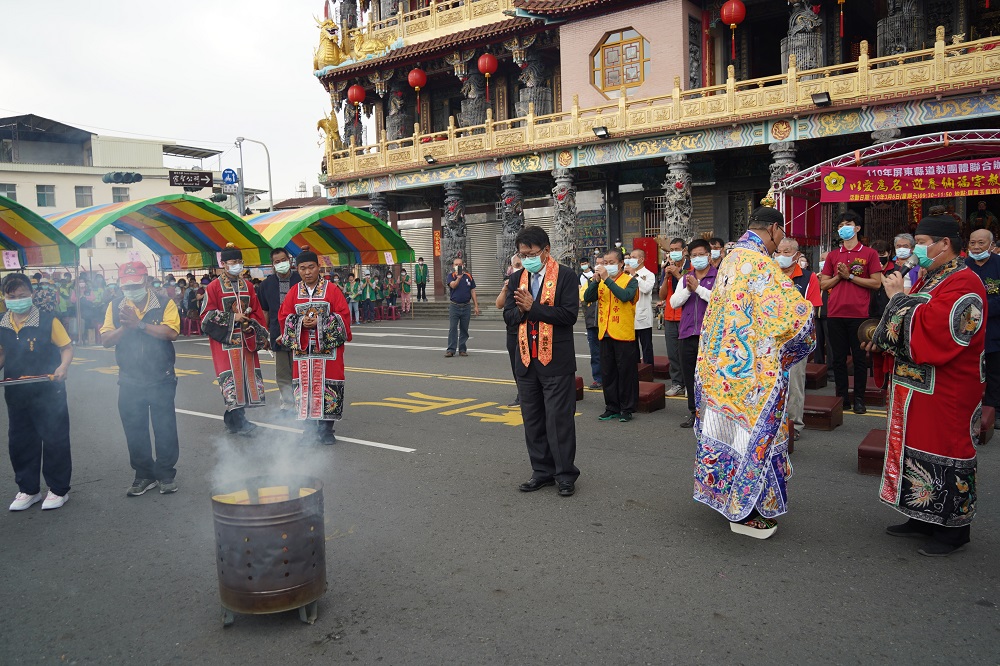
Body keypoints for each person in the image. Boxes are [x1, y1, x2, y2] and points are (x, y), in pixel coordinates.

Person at [693, 206, 815, 539]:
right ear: (775, 229)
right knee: (750, 440)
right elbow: (796, 317)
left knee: (728, 435)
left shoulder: (731, 258)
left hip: (722, 371)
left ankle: (725, 497)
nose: (781, 243)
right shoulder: (762, 265)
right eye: (781, 236)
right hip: (752, 376)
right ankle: (745, 512)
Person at [866, 215, 984, 556]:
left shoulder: (965, 282)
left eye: (922, 240)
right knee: (915, 448)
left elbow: (938, 330)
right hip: (918, 386)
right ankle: (922, 515)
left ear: (945, 244)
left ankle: (954, 529)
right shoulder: (932, 279)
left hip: (949, 386)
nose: (917, 248)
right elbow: (910, 320)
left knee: (948, 449)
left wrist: (897, 299)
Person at [502, 226, 580, 497]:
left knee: (558, 420)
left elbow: (568, 316)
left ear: (546, 251)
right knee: (532, 419)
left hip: (555, 361)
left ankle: (565, 474)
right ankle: (542, 471)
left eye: (531, 253)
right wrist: (523, 311)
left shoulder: (567, 277)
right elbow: (508, 317)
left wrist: (532, 307)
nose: (527, 259)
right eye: (522, 255)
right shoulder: (517, 280)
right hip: (525, 360)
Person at [100, 263, 181, 497]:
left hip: (161, 377)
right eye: (126, 286)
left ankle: (166, 474)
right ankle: (144, 475)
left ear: (146, 281)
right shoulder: (115, 306)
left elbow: (172, 333)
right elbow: (106, 340)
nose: (130, 289)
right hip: (129, 379)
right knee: (134, 428)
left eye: (135, 285)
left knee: (164, 427)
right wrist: (126, 328)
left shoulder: (165, 303)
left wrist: (140, 325)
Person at [0, 273, 73, 511]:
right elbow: (2, 354)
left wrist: (62, 367)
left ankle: (58, 489)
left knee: (54, 439)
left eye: (22, 295)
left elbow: (66, 348)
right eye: (12, 296)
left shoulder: (47, 320)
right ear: (4, 297)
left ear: (31, 294)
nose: (17, 300)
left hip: (48, 391)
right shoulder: (2, 322)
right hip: (16, 392)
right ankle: (28, 490)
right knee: (21, 441)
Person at [277, 248, 352, 445]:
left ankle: (327, 430)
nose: (307, 272)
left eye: (311, 267)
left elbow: (344, 316)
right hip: (303, 354)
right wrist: (301, 321)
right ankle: (308, 431)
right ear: (297, 270)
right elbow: (284, 317)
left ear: (319, 267)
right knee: (305, 389)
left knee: (328, 386)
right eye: (303, 268)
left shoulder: (332, 290)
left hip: (328, 353)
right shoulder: (294, 292)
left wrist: (320, 321)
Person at [201, 244, 269, 436]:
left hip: (246, 341)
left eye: (240, 262)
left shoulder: (247, 286)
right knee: (231, 382)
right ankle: (238, 422)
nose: (237, 265)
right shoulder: (213, 287)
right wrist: (233, 318)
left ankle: (234, 420)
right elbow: (206, 316)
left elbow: (256, 310)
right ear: (223, 264)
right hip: (225, 342)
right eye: (233, 262)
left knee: (246, 382)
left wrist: (258, 331)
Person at [819, 211, 883, 415]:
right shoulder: (833, 255)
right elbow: (824, 282)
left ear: (857, 228)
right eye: (840, 226)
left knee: (859, 359)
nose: (844, 228)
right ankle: (842, 398)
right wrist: (841, 276)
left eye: (848, 224)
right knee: (837, 359)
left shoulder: (869, 253)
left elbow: (876, 282)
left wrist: (851, 278)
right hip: (836, 313)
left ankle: (859, 399)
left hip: (859, 314)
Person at [775, 238, 823, 441]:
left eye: (786, 252)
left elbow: (812, 308)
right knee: (773, 383)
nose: (781, 255)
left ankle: (794, 424)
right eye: (779, 251)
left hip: (796, 340)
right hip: (773, 339)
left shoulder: (808, 277)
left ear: (796, 255)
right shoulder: (770, 276)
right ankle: (774, 422)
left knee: (794, 383)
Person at [583, 249, 639, 422]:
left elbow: (625, 296)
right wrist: (595, 281)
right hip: (604, 332)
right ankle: (611, 406)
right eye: (604, 263)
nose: (606, 266)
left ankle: (627, 409)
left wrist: (607, 279)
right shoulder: (601, 282)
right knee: (608, 373)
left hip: (623, 333)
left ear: (621, 263)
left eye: (610, 262)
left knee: (626, 373)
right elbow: (587, 297)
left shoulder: (630, 281)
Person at [669, 239, 716, 428]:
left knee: (710, 377)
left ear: (709, 256)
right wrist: (689, 290)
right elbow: (674, 303)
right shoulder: (685, 278)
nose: (697, 259)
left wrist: (699, 288)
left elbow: (719, 301)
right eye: (694, 256)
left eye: (701, 255)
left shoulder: (719, 276)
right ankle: (694, 413)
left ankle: (711, 416)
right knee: (690, 377)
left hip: (710, 335)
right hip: (687, 333)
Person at [256, 248, 301, 415]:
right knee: (283, 373)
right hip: (277, 334)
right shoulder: (266, 285)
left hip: (300, 333)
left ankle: (302, 402)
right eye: (277, 262)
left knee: (300, 370)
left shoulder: (300, 279)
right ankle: (288, 404)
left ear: (290, 260)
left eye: (284, 260)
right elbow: (265, 311)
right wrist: (265, 334)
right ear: (273, 265)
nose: (281, 264)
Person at [966, 228, 1000, 425]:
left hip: (994, 329)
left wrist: (982, 308)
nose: (977, 247)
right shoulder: (964, 266)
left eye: (981, 243)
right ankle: (971, 411)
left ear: (991, 245)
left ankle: (994, 411)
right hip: (968, 329)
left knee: (994, 373)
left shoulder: (998, 264)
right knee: (971, 373)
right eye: (973, 243)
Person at [657, 237, 688, 397]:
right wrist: (667, 277)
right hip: (670, 316)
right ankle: (677, 383)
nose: (673, 253)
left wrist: (677, 275)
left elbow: (691, 288)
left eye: (677, 250)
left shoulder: (691, 268)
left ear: (684, 251)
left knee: (687, 353)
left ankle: (689, 383)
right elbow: (662, 295)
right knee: (673, 353)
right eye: (671, 250)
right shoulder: (667, 269)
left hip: (686, 316)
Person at [497, 254, 524, 407]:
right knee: (516, 365)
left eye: (520, 265)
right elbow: (499, 305)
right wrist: (505, 289)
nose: (518, 268)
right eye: (516, 265)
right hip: (513, 331)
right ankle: (521, 394)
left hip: (530, 330)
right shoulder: (510, 283)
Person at [444, 257, 479, 358]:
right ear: (453, 266)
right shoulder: (451, 276)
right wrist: (458, 277)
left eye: (460, 264)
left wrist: (476, 305)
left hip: (466, 306)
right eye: (456, 264)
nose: (458, 266)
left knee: (464, 329)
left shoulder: (468, 276)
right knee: (453, 328)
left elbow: (473, 291)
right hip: (454, 306)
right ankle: (451, 350)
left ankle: (462, 349)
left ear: (463, 265)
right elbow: (453, 286)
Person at [627, 248, 656, 366]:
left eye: (634, 257)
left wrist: (634, 275)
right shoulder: (626, 275)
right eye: (630, 257)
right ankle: (635, 371)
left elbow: (645, 289)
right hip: (629, 315)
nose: (631, 260)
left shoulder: (649, 274)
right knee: (632, 348)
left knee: (646, 346)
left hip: (643, 317)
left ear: (641, 259)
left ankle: (649, 370)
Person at [579, 255, 602, 389]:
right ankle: (598, 378)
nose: (599, 266)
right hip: (591, 321)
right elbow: (585, 297)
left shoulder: (609, 280)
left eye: (602, 263)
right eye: (597, 263)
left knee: (607, 353)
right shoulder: (591, 280)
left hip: (606, 323)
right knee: (595, 353)